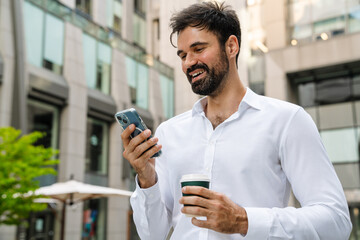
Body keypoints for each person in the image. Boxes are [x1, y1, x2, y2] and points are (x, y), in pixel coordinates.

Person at [121, 2, 352, 239]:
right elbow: (152, 234)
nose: (188, 63)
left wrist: (244, 220)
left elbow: (336, 221)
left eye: (198, 49)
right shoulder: (169, 132)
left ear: (231, 46)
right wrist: (146, 179)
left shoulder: (287, 121)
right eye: (182, 55)